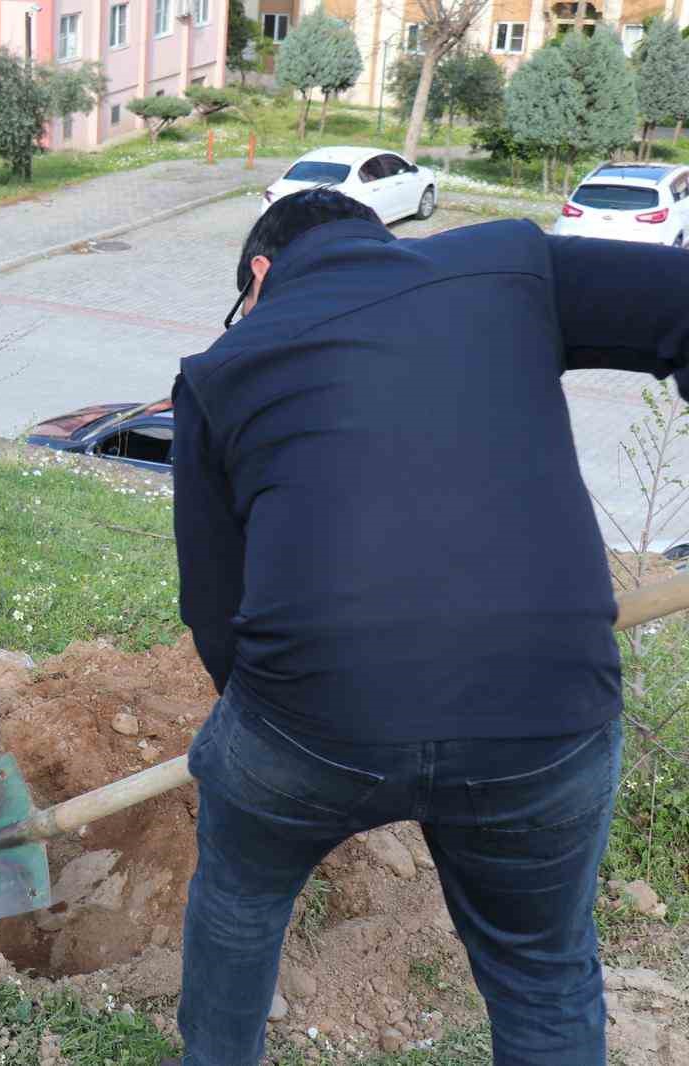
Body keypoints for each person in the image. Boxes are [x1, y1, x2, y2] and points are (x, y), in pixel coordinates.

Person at [170, 188, 689, 1066]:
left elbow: (213, 611)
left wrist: (276, 737)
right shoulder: (509, 267)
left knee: (240, 900)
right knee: (542, 976)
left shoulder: (221, 368)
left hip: (308, 720)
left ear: (260, 273)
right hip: (543, 712)